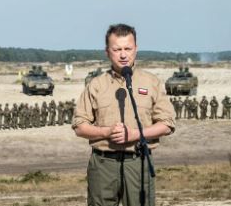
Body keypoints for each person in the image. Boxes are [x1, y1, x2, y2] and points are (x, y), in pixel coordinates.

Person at [73, 24, 176, 206]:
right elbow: (80, 126)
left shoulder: (151, 82)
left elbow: (167, 123)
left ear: (136, 49)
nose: (123, 54)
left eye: (127, 48)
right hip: (104, 163)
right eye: (117, 49)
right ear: (107, 52)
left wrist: (136, 134)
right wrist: (107, 132)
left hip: (138, 161)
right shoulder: (96, 85)